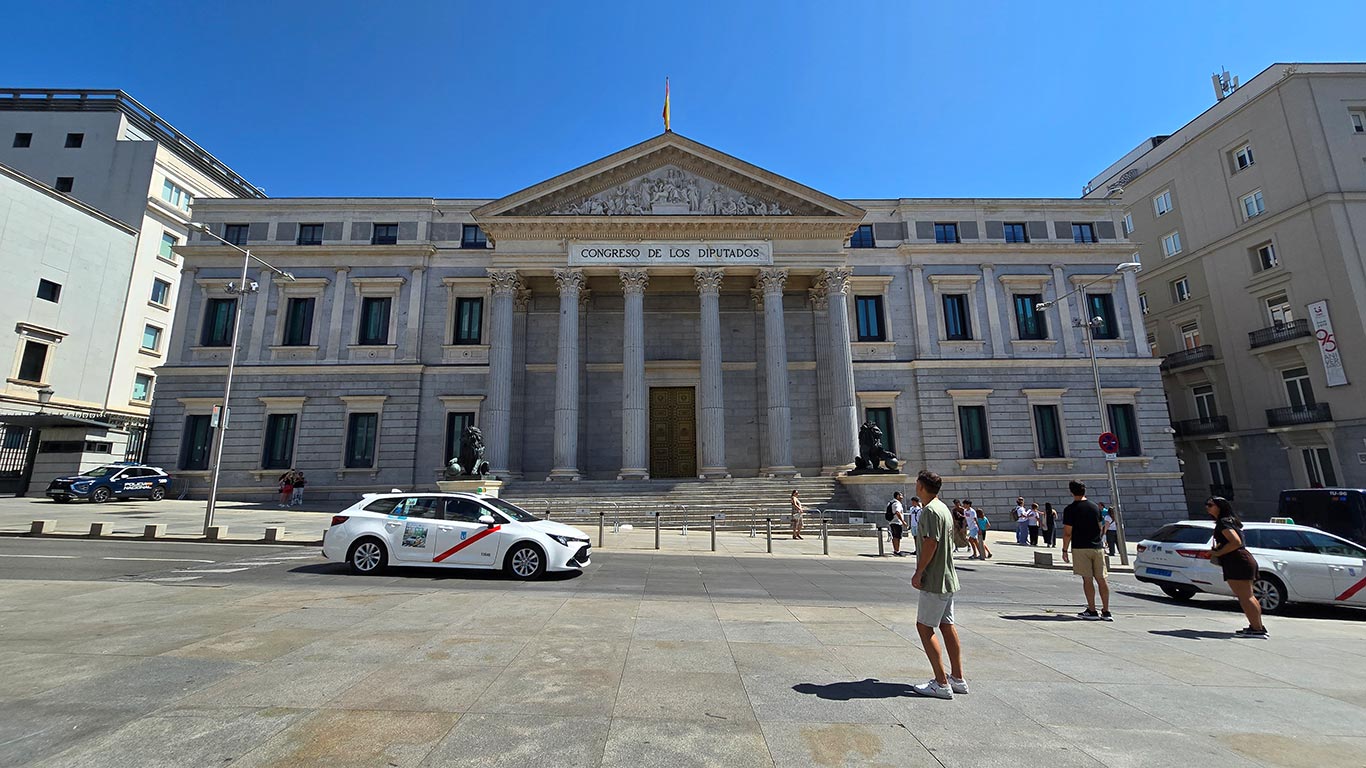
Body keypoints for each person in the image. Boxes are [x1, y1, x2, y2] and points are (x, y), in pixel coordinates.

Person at [910, 469, 968, 700]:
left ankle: (941, 683)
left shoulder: (930, 511)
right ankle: (958, 678)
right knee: (946, 625)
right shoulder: (942, 507)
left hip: (934, 579)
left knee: (924, 627)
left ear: (922, 487)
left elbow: (931, 543)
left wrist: (919, 572)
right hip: (948, 577)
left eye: (917, 483)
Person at [1206, 497, 1267, 637]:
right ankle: (1257, 627)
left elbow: (1236, 542)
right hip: (1240, 560)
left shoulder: (1223, 522)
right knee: (1247, 596)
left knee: (1246, 597)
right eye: (1207, 505)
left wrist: (1218, 552)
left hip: (1237, 561)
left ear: (1220, 507)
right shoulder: (1230, 521)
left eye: (1210, 505)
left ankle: (1257, 629)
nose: (1207, 508)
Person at [1061, 481, 1112, 621]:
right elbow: (1100, 526)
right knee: (1102, 579)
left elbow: (1067, 533)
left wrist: (1064, 550)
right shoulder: (1095, 507)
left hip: (1080, 547)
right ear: (1085, 491)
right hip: (1097, 547)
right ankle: (1106, 611)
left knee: (1087, 579)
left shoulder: (1070, 509)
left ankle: (1092, 610)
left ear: (1071, 492)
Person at [888, 491, 907, 557]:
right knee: (897, 537)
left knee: (894, 536)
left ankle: (895, 549)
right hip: (897, 522)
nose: (902, 497)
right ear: (898, 496)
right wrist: (903, 521)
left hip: (892, 521)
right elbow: (897, 512)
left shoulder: (891, 502)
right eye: (901, 495)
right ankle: (897, 550)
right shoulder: (897, 503)